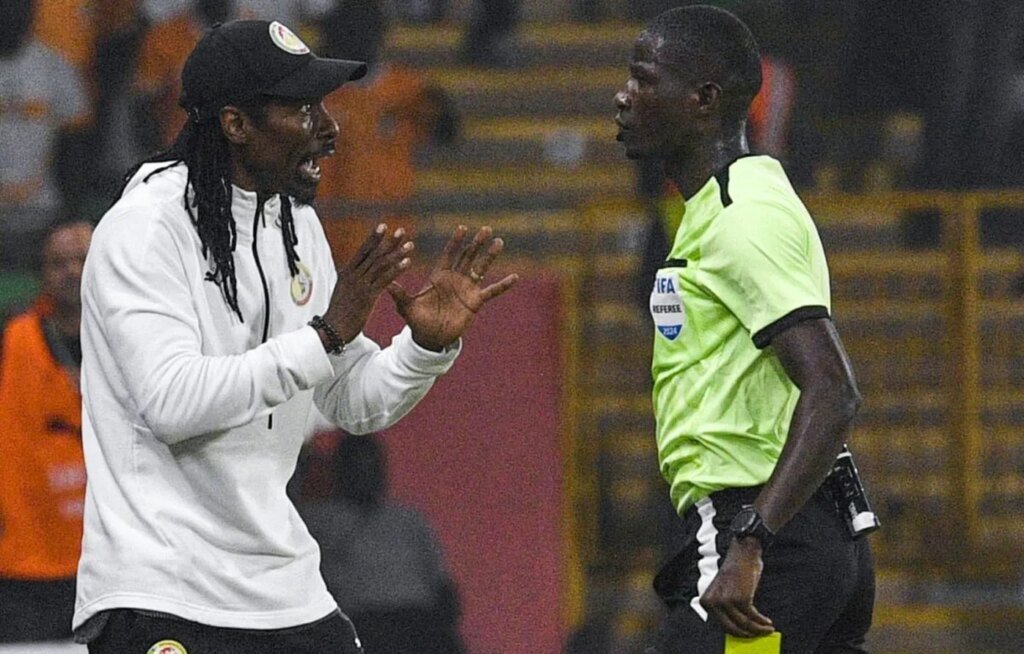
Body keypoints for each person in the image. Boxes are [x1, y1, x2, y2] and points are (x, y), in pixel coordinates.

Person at [73, 18, 517, 654]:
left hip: (285, 592)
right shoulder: (145, 228)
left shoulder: (296, 225)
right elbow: (172, 404)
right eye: (303, 110)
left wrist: (423, 350)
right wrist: (326, 335)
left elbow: (348, 399)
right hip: (164, 590)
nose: (330, 130)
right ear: (235, 125)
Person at [613, 6, 875, 653]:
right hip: (801, 534)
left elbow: (833, 388)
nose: (624, 96)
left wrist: (751, 541)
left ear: (702, 101)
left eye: (645, 80)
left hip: (763, 541)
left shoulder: (741, 218)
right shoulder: (714, 210)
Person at [0, 219, 93, 643]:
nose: (72, 271)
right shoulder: (11, 337)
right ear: (41, 270)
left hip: (109, 561)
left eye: (83, 260)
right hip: (26, 560)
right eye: (59, 263)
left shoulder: (137, 339)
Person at [316, 0, 460, 263]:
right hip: (331, 237)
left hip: (391, 233)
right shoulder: (319, 95)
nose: (356, 39)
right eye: (349, 32)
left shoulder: (406, 88)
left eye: (363, 31)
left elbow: (447, 131)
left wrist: (432, 104)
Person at [299, 432, 467, 654]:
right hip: (363, 622)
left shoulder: (407, 519)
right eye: (358, 466)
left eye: (372, 466)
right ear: (343, 470)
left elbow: (442, 584)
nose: (366, 474)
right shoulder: (320, 521)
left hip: (418, 620)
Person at [0, 0, 91, 268]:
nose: (10, 14)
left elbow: (76, 145)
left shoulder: (55, 67)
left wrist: (71, 213)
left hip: (43, 214)